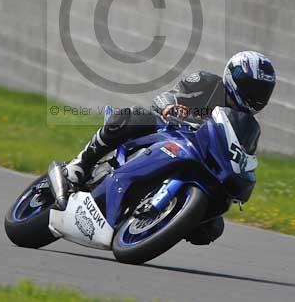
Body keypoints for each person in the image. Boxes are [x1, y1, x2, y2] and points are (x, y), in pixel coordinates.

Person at [59, 51, 276, 245]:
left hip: (200, 162)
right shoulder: (205, 82)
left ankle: (162, 221)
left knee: (212, 228)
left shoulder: (247, 126)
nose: (256, 95)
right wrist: (172, 107)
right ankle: (80, 164)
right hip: (171, 132)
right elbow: (167, 97)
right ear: (233, 77)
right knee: (130, 117)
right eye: (251, 87)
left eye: (262, 91)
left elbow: (240, 157)